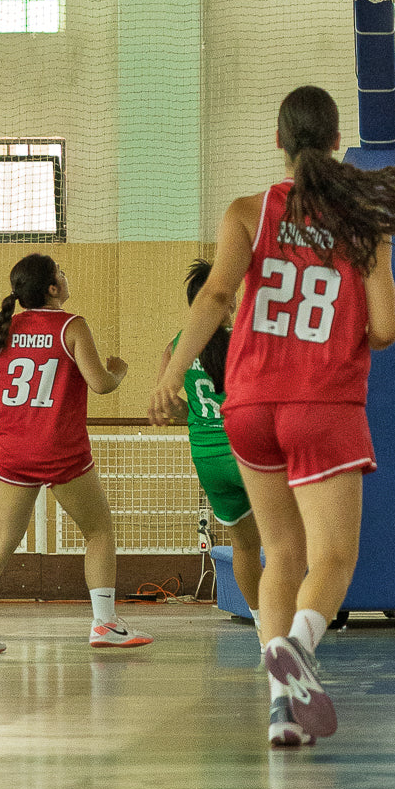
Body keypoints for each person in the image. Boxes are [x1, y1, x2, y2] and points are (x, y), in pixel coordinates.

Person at [148, 85, 395, 747]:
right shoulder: (364, 220)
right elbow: (386, 330)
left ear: (279, 142)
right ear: (336, 143)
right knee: (333, 558)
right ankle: (298, 648)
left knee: (282, 557)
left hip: (247, 405)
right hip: (321, 403)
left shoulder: (248, 210)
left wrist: (167, 376)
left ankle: (282, 709)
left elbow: (217, 295)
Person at [0, 253, 151, 655]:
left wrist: (28, 398)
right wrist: (119, 371)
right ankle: (105, 624)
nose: (65, 275)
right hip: (60, 450)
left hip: (14, 449)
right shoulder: (72, 325)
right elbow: (100, 385)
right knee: (98, 530)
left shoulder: (9, 326)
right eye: (61, 272)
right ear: (52, 288)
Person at [157, 258, 264, 642]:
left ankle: (262, 625)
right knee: (290, 537)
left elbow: (168, 407)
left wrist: (198, 416)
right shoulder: (246, 341)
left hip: (208, 459)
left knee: (243, 546)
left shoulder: (175, 348)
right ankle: (298, 619)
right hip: (247, 454)